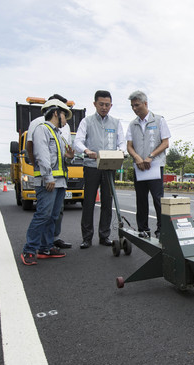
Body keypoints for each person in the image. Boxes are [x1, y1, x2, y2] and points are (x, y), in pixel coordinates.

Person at [21, 99, 75, 265]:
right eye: (65, 116)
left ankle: (46, 247)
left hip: (60, 182)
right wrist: (48, 177)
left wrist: (69, 157)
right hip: (48, 182)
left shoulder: (57, 134)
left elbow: (56, 158)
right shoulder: (42, 130)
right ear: (56, 113)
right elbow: (42, 155)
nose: (66, 121)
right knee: (43, 215)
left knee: (52, 216)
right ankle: (29, 250)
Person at [73, 90, 125, 249]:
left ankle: (104, 235)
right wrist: (87, 151)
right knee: (88, 202)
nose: (104, 107)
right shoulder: (86, 122)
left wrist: (121, 151)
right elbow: (78, 142)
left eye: (107, 105)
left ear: (111, 105)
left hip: (109, 167)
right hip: (91, 166)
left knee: (107, 202)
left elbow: (122, 142)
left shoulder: (116, 123)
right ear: (94, 104)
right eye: (101, 104)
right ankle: (87, 237)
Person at [125, 90, 170, 238]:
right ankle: (143, 229)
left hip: (155, 166)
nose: (134, 108)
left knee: (158, 199)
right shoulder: (132, 124)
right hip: (139, 167)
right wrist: (137, 157)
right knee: (141, 199)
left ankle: (161, 230)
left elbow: (165, 143)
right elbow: (129, 146)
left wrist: (150, 156)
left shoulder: (159, 120)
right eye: (132, 106)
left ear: (145, 103)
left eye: (137, 105)